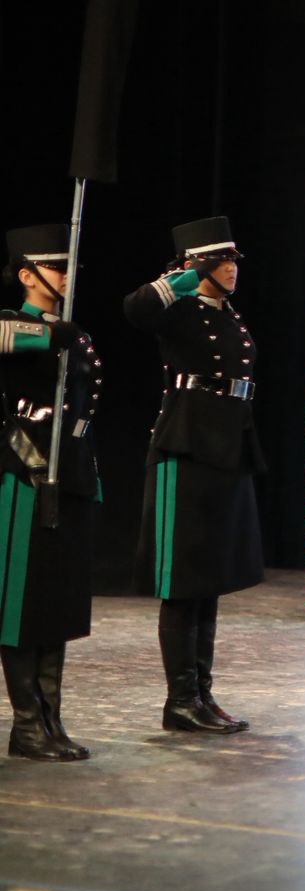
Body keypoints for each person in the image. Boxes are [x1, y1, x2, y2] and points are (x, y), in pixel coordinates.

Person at [124, 217, 263, 735]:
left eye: (233, 261)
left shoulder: (229, 314)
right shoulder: (178, 309)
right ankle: (180, 700)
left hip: (227, 445)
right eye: (220, 261)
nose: (232, 269)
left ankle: (202, 694)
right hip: (186, 443)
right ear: (197, 265)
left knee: (209, 579)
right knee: (183, 581)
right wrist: (183, 276)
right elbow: (134, 309)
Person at [0, 225, 102, 761]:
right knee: (22, 603)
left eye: (70, 267)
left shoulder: (73, 331)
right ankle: (27, 724)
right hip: (26, 470)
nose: (67, 275)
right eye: (56, 267)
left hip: (72, 471)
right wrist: (47, 335)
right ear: (27, 275)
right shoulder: (14, 325)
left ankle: (50, 720)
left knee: (54, 601)